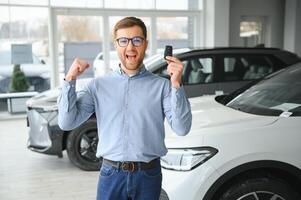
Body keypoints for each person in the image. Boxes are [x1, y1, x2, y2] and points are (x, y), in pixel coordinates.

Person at [58, 16, 192, 200]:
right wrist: (70, 79)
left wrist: (176, 84)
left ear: (145, 44)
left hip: (148, 175)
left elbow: (182, 128)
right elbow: (66, 122)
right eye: (123, 41)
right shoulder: (97, 86)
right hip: (111, 175)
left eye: (136, 40)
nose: (130, 47)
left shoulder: (163, 86)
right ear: (116, 45)